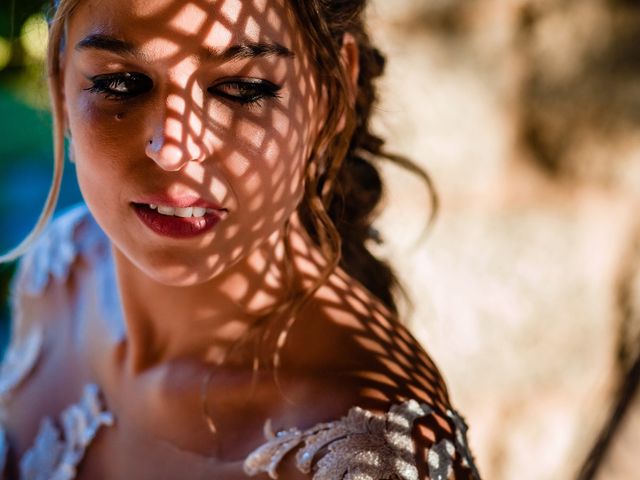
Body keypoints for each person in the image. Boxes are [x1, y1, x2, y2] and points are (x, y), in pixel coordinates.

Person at [0, 0, 481, 478]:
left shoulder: (372, 452)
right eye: (119, 83)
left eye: (242, 89)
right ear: (61, 81)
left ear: (335, 93)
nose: (172, 149)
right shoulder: (63, 267)